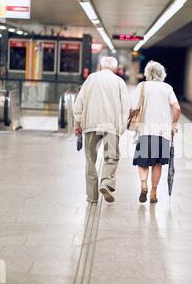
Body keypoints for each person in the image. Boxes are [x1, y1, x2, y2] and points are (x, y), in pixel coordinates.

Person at [73, 56, 129, 204]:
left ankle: (92, 196)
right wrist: (121, 128)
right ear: (115, 69)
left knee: (90, 158)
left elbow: (79, 103)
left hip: (91, 123)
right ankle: (105, 183)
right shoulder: (119, 82)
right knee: (112, 157)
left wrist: (77, 123)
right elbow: (125, 108)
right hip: (111, 125)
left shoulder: (91, 79)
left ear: (100, 66)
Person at [131, 61, 181, 203]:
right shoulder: (167, 88)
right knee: (157, 164)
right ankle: (153, 193)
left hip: (145, 131)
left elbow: (133, 107)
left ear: (147, 73)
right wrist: (174, 124)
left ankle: (143, 184)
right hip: (162, 133)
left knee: (143, 162)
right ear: (162, 74)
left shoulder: (142, 86)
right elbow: (177, 108)